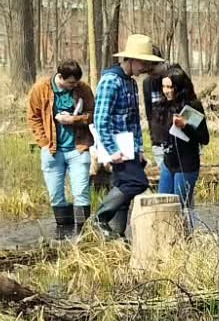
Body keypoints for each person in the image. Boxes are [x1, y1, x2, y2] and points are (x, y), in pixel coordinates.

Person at [91, 33, 162, 241]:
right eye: (143, 64)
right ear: (131, 60)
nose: (145, 69)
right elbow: (100, 120)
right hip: (115, 147)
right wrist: (112, 151)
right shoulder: (110, 81)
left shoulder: (131, 83)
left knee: (123, 191)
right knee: (137, 183)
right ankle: (99, 217)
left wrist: (139, 149)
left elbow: (134, 121)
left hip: (130, 147)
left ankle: (115, 235)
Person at [26, 59, 97, 238]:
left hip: (78, 148)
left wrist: (74, 120)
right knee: (56, 195)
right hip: (52, 150)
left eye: (76, 82)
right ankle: (63, 236)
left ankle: (82, 235)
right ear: (60, 77)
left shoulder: (83, 89)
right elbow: (33, 117)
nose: (74, 86)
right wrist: (43, 142)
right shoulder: (41, 89)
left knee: (81, 192)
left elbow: (92, 114)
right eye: (71, 83)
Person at [156, 63, 209, 216]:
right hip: (168, 163)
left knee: (179, 210)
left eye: (170, 87)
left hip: (186, 165)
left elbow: (204, 138)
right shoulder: (163, 105)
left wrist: (185, 125)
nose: (166, 91)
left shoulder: (192, 106)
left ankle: (184, 238)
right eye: (164, 87)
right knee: (162, 207)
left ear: (179, 87)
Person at [143, 65, 174, 174]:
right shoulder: (147, 83)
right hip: (158, 138)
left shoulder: (172, 79)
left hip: (174, 139)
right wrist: (153, 138)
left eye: (153, 65)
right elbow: (149, 112)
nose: (150, 70)